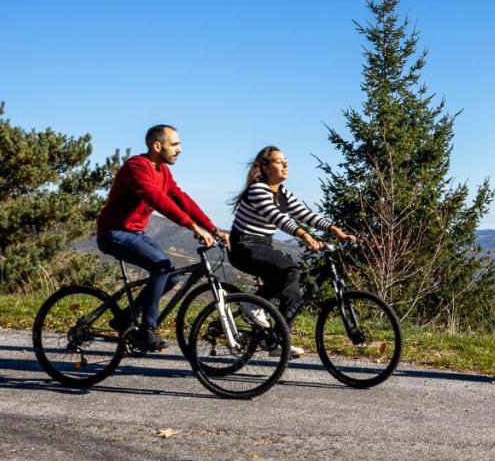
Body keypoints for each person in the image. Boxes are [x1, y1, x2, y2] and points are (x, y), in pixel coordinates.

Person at [96, 124, 229, 352]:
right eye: (175, 144)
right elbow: (157, 199)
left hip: (135, 233)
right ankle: (146, 330)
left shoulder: (163, 171)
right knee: (162, 267)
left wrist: (212, 228)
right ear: (157, 146)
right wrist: (192, 226)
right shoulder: (136, 167)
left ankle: (125, 319)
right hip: (113, 233)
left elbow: (180, 198)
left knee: (171, 277)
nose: (180, 149)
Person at [228, 145, 355, 356]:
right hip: (244, 246)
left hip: (263, 246)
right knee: (291, 270)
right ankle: (251, 304)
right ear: (265, 167)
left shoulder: (283, 193)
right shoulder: (258, 190)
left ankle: (277, 341)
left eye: (286, 160)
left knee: (294, 292)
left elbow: (304, 214)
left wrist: (336, 231)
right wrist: (305, 236)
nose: (285, 164)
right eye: (279, 161)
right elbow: (278, 218)